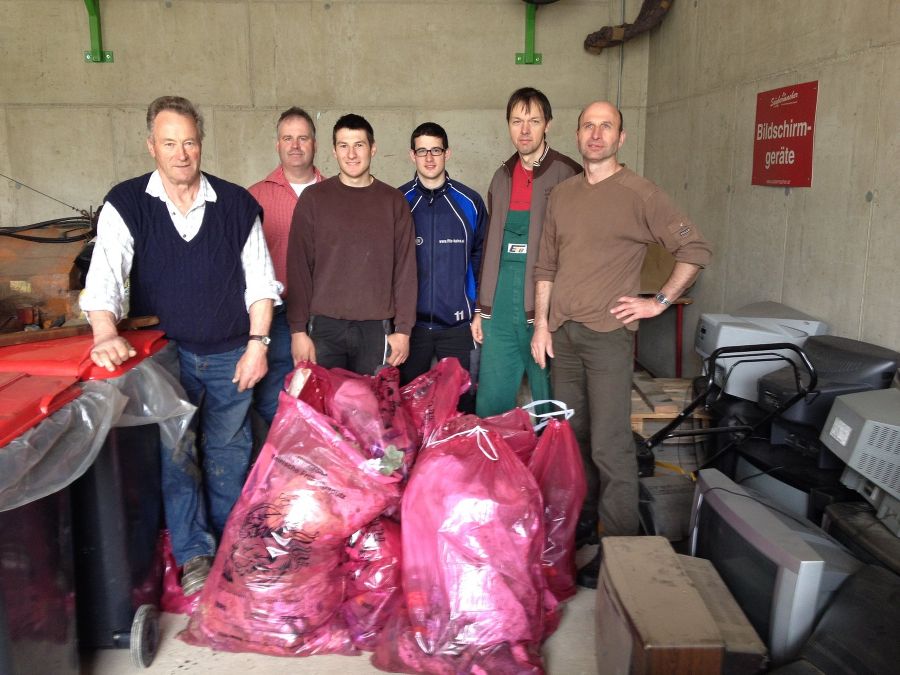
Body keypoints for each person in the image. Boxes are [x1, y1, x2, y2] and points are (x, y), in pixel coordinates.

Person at [81, 95, 281, 596]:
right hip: (165, 357)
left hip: (233, 352)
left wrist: (258, 344)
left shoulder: (235, 205)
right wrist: (104, 332)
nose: (181, 153)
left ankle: (232, 547)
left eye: (189, 141)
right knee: (176, 454)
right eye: (170, 143)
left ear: (201, 143)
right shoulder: (126, 204)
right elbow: (104, 277)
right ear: (152, 146)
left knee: (229, 452)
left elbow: (260, 282)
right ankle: (195, 552)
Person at [531, 100, 712, 588]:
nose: (596, 134)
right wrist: (542, 325)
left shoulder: (640, 193)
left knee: (611, 447)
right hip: (563, 337)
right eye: (588, 126)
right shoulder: (563, 194)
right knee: (575, 440)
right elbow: (546, 264)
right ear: (577, 134)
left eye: (606, 126)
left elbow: (694, 248)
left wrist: (658, 300)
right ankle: (584, 529)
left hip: (608, 339)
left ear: (621, 137)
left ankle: (621, 552)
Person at [472, 87, 581, 417]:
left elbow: (575, 251)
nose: (524, 130)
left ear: (548, 124)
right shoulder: (501, 176)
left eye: (533, 121)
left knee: (552, 401)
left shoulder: (568, 174)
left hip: (546, 309)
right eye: (516, 121)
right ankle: (497, 466)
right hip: (500, 309)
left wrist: (553, 315)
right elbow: (491, 246)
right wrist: (482, 308)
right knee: (492, 401)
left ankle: (553, 466)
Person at [286, 113, 417, 375]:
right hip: (324, 328)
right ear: (334, 151)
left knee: (372, 411)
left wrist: (403, 330)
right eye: (343, 146)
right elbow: (298, 268)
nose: (352, 154)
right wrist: (298, 331)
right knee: (324, 412)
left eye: (359, 145)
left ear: (373, 148)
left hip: (376, 328)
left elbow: (405, 269)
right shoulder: (314, 200)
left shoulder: (393, 201)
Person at [398, 122, 486, 408]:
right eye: (422, 151)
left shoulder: (470, 202)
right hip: (412, 329)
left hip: (458, 327)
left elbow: (481, 258)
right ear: (412, 155)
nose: (429, 158)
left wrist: (478, 311)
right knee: (409, 411)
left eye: (436, 150)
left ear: (447, 153)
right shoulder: (398, 202)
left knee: (459, 409)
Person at [248, 107, 326, 424]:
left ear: (315, 144)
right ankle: (284, 465)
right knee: (274, 399)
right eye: (287, 138)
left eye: (303, 138)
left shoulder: (335, 194)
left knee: (325, 392)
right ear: (277, 144)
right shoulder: (254, 197)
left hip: (326, 314)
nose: (295, 145)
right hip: (277, 314)